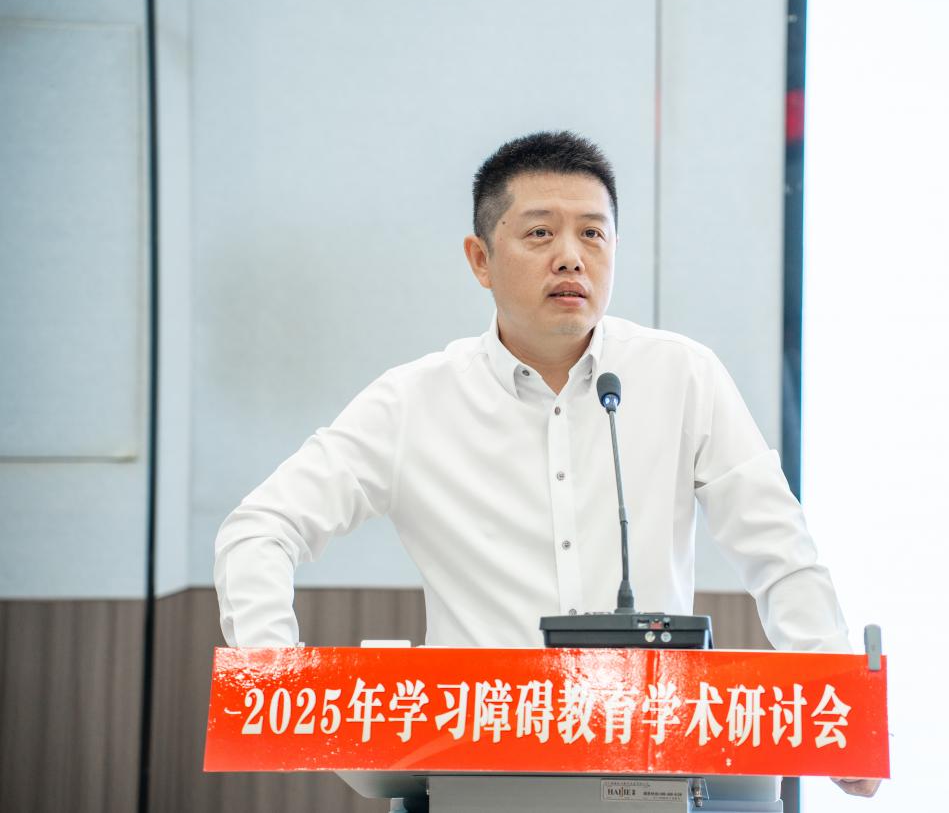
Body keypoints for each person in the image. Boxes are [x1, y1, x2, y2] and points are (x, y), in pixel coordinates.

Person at [213, 131, 879, 797]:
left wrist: (841, 709)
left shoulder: (682, 375)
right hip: (478, 772)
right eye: (540, 233)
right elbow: (260, 528)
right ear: (480, 259)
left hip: (650, 767)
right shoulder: (413, 401)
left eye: (593, 234)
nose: (570, 256)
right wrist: (276, 681)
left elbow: (777, 549)